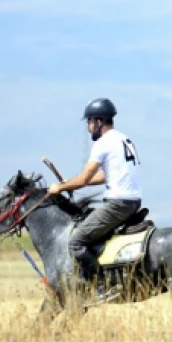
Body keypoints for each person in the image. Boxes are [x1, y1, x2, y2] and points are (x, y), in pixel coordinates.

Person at [46, 97, 143, 302]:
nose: (89, 128)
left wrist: (60, 187)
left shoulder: (103, 143)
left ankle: (100, 286)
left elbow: (85, 177)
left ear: (99, 121)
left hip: (118, 204)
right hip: (132, 202)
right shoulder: (123, 139)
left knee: (76, 241)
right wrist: (70, 183)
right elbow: (104, 176)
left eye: (89, 122)